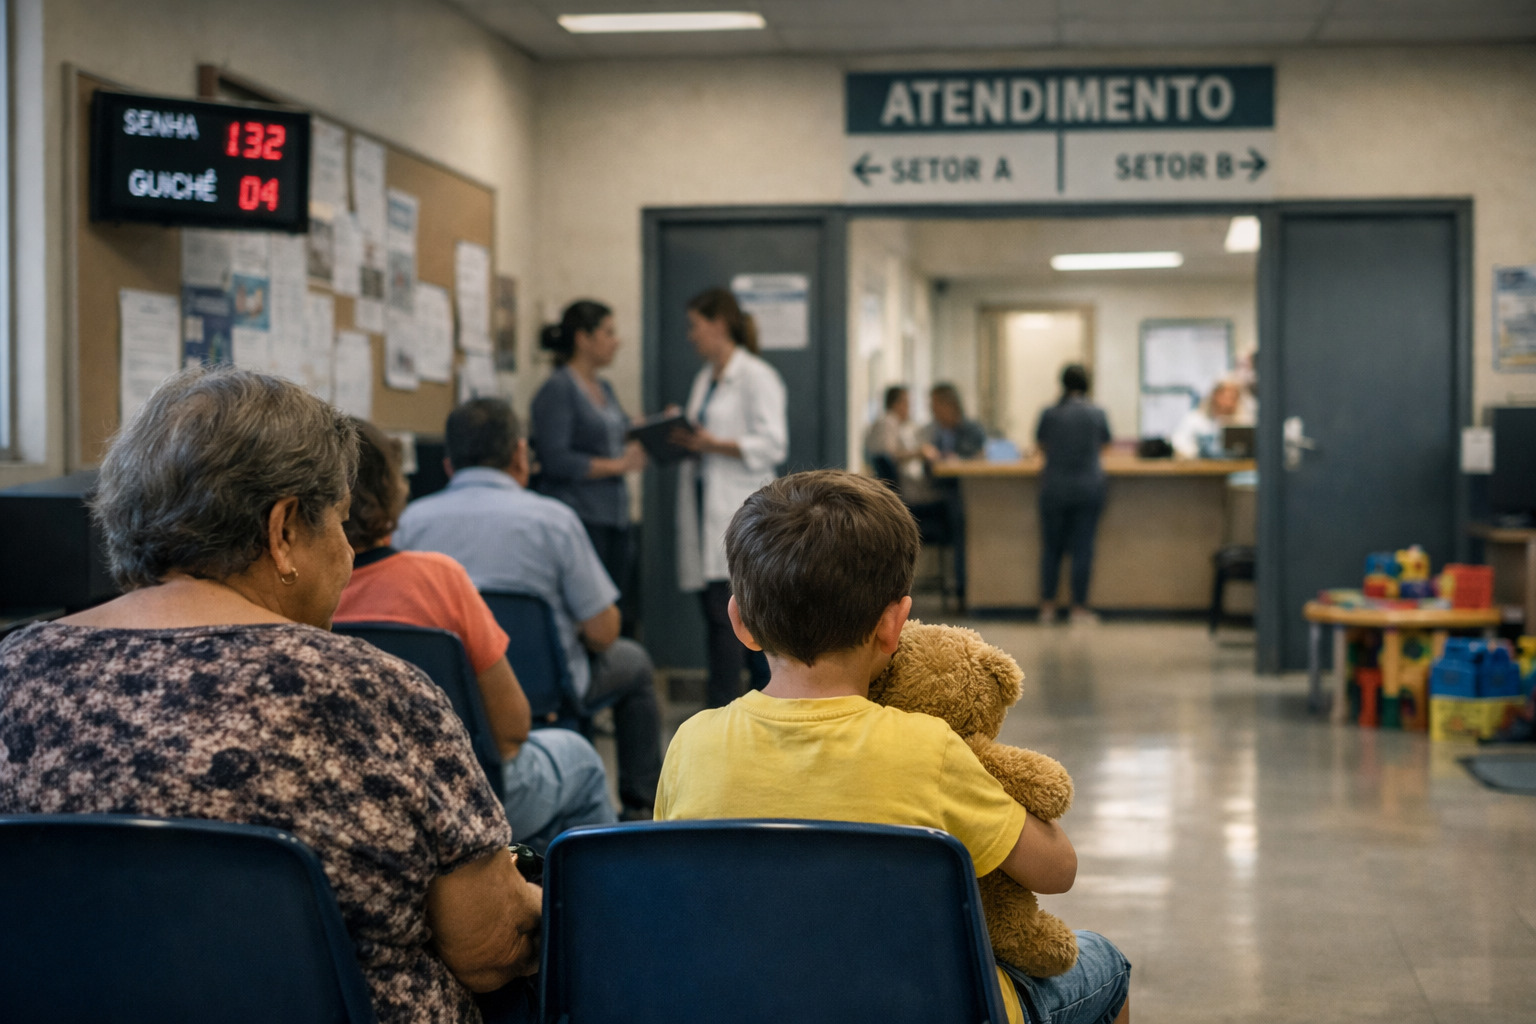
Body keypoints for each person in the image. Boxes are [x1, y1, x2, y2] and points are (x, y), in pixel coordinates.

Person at [0, 368, 539, 1024]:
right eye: (340, 523)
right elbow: (491, 948)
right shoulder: (371, 692)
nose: (346, 552)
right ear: (284, 531)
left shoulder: (16, 671)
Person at [655, 470, 1130, 1024]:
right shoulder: (928, 749)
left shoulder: (691, 743)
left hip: (743, 1004)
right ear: (894, 625)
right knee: (1107, 964)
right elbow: (1058, 871)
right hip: (932, 1006)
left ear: (741, 622)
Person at [334, 418, 616, 850]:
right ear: (392, 489)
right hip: (461, 795)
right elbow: (510, 732)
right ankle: (588, 908)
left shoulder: (301, 596)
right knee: (579, 758)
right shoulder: (438, 577)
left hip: (351, 796)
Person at [396, 398, 662, 821]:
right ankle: (639, 807)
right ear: (520, 455)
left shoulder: (410, 523)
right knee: (634, 663)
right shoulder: (554, 520)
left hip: (445, 696)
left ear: (449, 464)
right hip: (545, 694)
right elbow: (603, 632)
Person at [672, 286, 787, 708]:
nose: (691, 336)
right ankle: (727, 713)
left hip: (741, 510)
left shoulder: (757, 376)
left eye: (696, 326)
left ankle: (745, 710)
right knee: (718, 618)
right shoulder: (705, 379)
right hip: (707, 505)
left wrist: (713, 443)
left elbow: (773, 444)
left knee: (741, 622)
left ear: (719, 324)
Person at [529, 300, 646, 602]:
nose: (616, 342)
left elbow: (619, 429)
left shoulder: (604, 387)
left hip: (613, 516)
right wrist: (618, 466)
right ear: (583, 338)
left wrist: (656, 426)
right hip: (580, 517)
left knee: (615, 604)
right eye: (608, 333)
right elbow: (555, 458)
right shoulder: (558, 389)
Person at [1035, 364, 1113, 626]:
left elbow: (1041, 444)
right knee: (1083, 549)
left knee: (1052, 549)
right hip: (1087, 487)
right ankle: (1078, 608)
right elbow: (1105, 444)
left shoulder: (1050, 413)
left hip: (1054, 487)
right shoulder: (1096, 413)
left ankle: (1048, 606)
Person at [920, 382, 987, 606]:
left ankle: (963, 589)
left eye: (935, 406)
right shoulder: (936, 432)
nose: (932, 412)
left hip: (965, 495)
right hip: (940, 494)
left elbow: (977, 458)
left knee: (961, 521)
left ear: (949, 405)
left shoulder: (971, 430)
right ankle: (959, 586)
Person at [1171, 378, 1247, 459]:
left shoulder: (1243, 421)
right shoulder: (1195, 419)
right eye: (1225, 397)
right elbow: (1178, 443)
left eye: (1233, 398)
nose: (1229, 403)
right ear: (1215, 395)